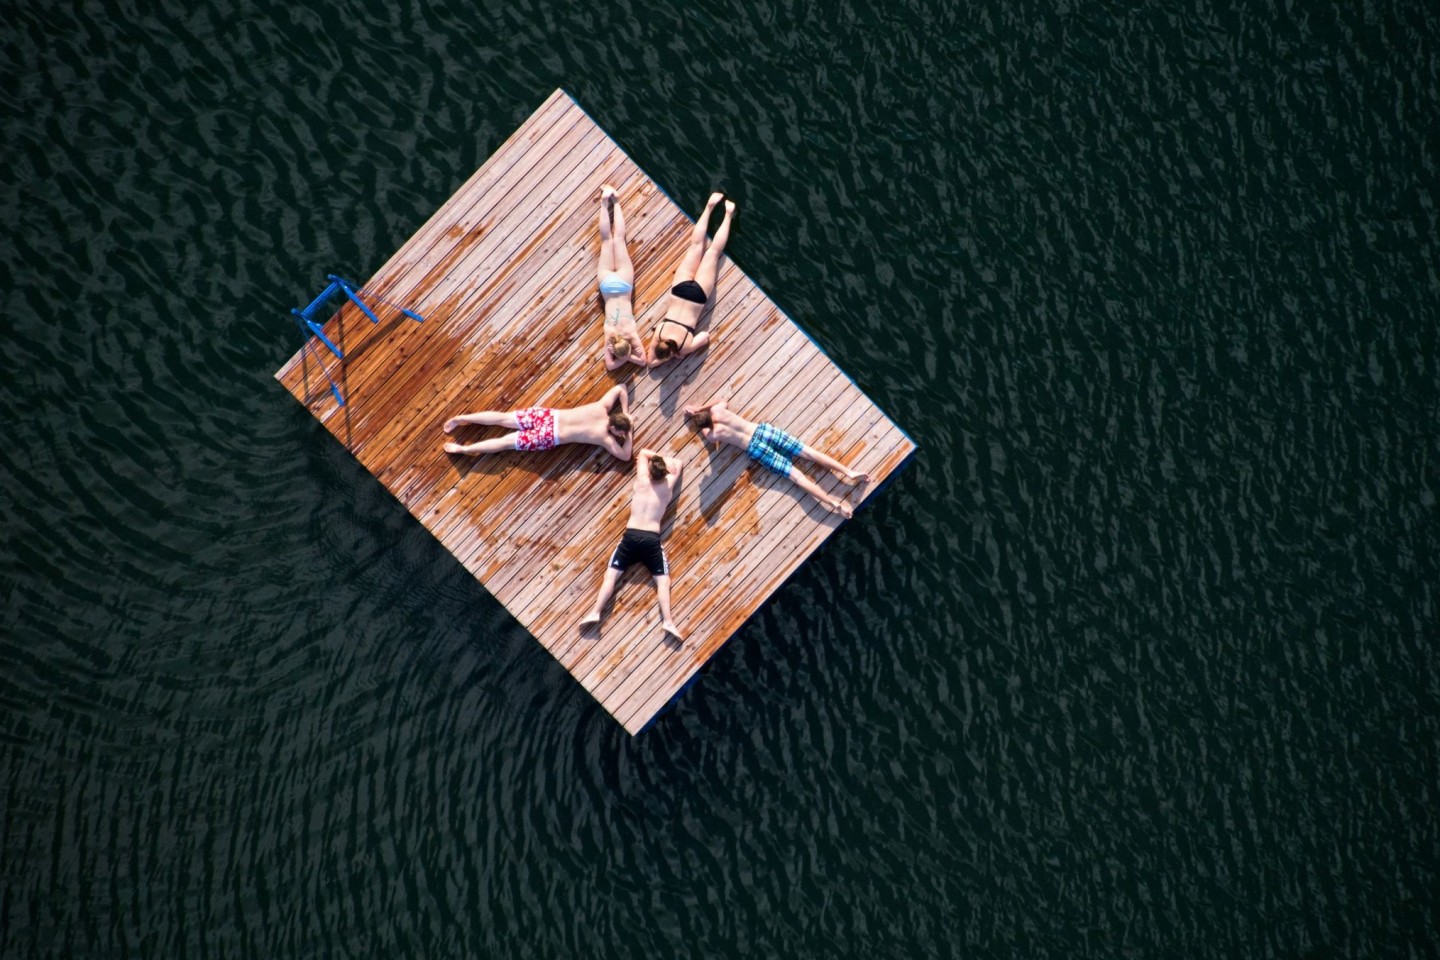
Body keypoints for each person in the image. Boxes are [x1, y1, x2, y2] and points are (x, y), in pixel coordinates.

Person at [683, 398, 869, 518]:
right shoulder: (717, 410)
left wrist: (698, 423)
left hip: (754, 447)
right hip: (763, 431)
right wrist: (699, 407)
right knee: (808, 452)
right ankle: (849, 472)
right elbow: (722, 401)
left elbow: (707, 434)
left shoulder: (712, 435)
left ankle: (834, 504)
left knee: (796, 476)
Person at [580, 449, 685, 642]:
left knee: (611, 575)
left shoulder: (642, 481)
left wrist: (656, 457)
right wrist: (668, 463)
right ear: (665, 474)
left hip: (631, 536)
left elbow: (643, 452)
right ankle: (668, 621)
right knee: (663, 581)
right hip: (651, 540)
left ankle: (596, 611)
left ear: (650, 471)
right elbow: (678, 463)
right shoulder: (667, 487)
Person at [647, 191, 736, 366]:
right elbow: (650, 360)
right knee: (695, 246)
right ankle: (709, 206)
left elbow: (704, 336)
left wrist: (677, 354)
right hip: (679, 290)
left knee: (713, 253)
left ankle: (728, 214)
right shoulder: (658, 334)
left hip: (697, 296)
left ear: (671, 353)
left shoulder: (684, 346)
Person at [442, 384, 633, 460]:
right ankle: (464, 450)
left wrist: (626, 412)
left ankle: (462, 419)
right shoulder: (604, 438)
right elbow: (625, 456)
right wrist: (630, 434)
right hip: (549, 436)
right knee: (504, 443)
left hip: (548, 417)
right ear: (614, 427)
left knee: (502, 418)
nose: (621, 436)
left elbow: (621, 388)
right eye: (621, 433)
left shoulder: (602, 407)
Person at [596, 185, 648, 369]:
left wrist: (629, 356)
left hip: (624, 284)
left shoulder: (631, 333)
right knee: (607, 241)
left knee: (617, 239)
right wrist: (624, 357)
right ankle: (605, 202)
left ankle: (615, 201)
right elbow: (610, 364)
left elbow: (642, 361)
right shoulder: (610, 334)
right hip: (607, 285)